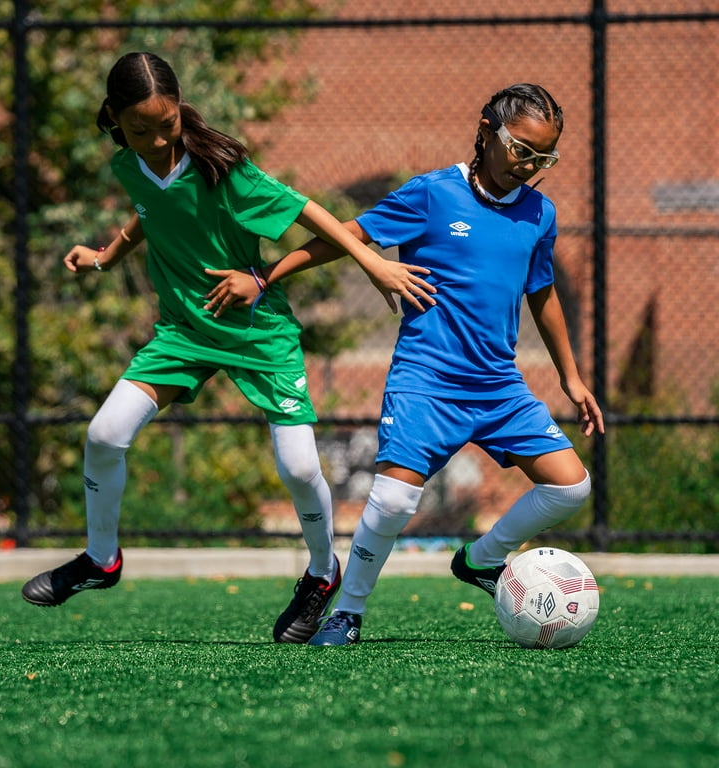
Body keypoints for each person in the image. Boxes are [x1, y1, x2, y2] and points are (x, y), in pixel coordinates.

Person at [20, 51, 435, 645]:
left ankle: (322, 572)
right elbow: (151, 210)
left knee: (297, 467)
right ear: (115, 118)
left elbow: (311, 213)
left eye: (169, 126)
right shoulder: (129, 164)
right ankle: (101, 559)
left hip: (257, 330)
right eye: (141, 130)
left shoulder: (224, 169)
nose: (159, 141)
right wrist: (108, 255)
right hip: (184, 332)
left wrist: (373, 266)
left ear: (181, 109)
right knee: (104, 435)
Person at [205, 82, 604, 646]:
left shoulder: (540, 213)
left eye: (544, 158)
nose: (529, 166)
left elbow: (543, 292)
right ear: (488, 131)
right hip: (427, 380)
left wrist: (571, 376)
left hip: (497, 387)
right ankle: (348, 611)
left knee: (571, 488)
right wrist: (264, 276)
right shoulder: (432, 194)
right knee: (392, 499)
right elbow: (346, 238)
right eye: (522, 150)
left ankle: (482, 559)